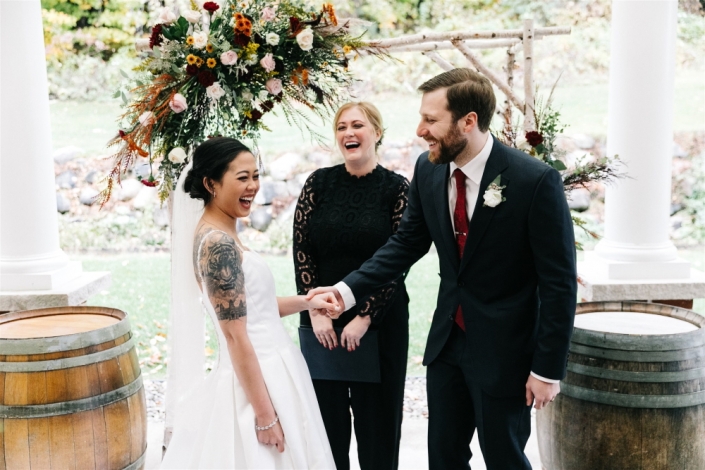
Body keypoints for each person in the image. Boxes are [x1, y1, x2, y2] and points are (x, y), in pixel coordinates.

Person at [308, 69, 577, 469]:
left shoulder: (534, 180)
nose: (420, 130)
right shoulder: (429, 170)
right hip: (447, 345)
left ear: (468, 121)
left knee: (504, 457)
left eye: (431, 120)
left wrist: (547, 369)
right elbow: (404, 244)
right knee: (444, 459)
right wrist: (344, 292)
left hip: (506, 351)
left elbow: (558, 283)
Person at [160, 137, 337, 469]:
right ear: (211, 183)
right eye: (242, 177)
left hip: (275, 368)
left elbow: (252, 307)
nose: (253, 186)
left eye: (255, 176)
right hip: (259, 378)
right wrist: (266, 415)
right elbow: (235, 335)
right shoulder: (218, 245)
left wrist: (307, 301)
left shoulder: (222, 234)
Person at [293, 102, 410, 470]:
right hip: (322, 322)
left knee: (378, 425)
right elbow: (302, 251)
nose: (348, 133)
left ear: (377, 132)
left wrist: (365, 316)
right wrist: (315, 313)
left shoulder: (397, 189)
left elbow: (398, 257)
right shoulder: (318, 183)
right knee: (327, 426)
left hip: (380, 322)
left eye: (357, 125)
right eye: (341, 127)